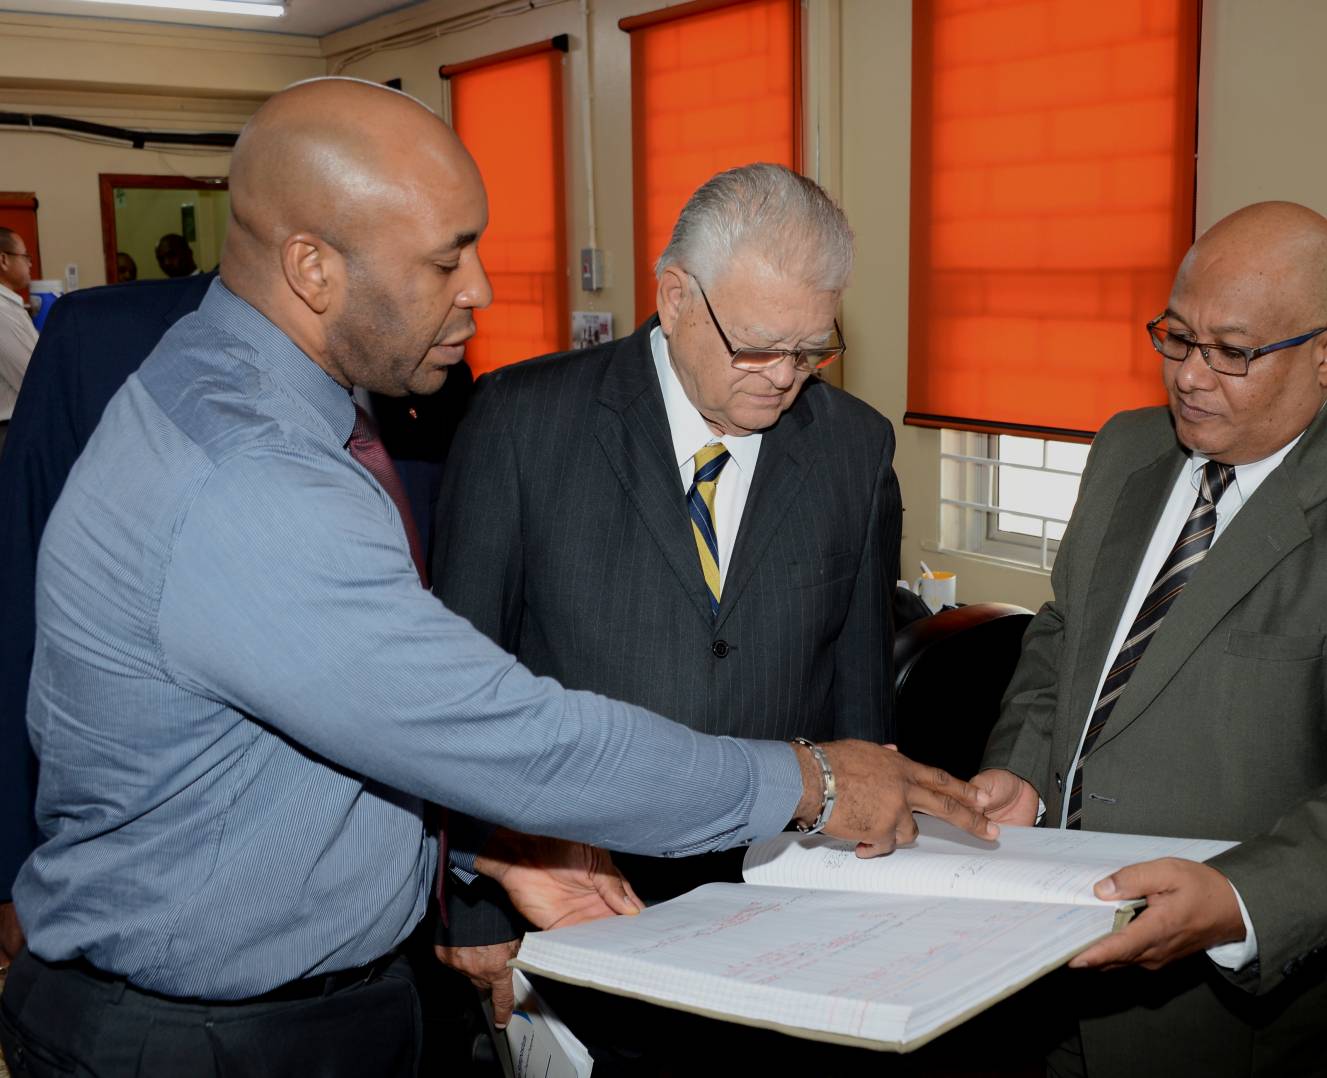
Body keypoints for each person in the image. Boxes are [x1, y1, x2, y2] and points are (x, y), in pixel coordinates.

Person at [0, 78, 992, 1077]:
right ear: (312, 267)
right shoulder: (253, 477)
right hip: (207, 1040)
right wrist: (812, 781)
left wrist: (494, 849)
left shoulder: (223, 381)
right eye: (446, 258)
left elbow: (356, 721)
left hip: (277, 1005)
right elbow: (503, 732)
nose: (478, 287)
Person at [973, 201, 1327, 1077]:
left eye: (1234, 352)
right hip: (1049, 959)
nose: (1190, 375)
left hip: (1239, 1023)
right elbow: (1065, 639)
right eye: (1177, 338)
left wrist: (1239, 899)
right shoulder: (1125, 451)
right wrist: (1022, 768)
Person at [431, 162, 900, 1042]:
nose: (782, 378)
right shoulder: (523, 422)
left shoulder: (855, 449)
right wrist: (480, 911)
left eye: (811, 349)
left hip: (778, 906)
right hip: (574, 893)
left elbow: (858, 689)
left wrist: (858, 891)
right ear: (677, 296)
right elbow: (458, 678)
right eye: (757, 345)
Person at [0, 269, 470, 1019]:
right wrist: (10, 865)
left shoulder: (424, 354)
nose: (466, 285)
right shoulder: (100, 341)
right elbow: (19, 596)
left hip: (383, 925)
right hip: (164, 950)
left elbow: (437, 608)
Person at [0, 227, 38, 461]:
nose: (30, 265)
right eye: (26, 257)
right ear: (3, 260)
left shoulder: (10, 307)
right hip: (8, 430)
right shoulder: (1, 313)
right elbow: (33, 376)